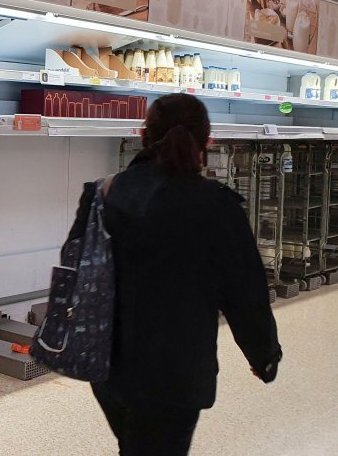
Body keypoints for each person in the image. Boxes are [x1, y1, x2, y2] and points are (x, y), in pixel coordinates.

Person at [66, 94, 282, 456]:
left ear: (142, 134)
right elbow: (245, 293)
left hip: (107, 363)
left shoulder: (102, 193)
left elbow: (75, 267)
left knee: (136, 445)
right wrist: (263, 355)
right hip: (177, 371)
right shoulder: (217, 205)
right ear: (208, 142)